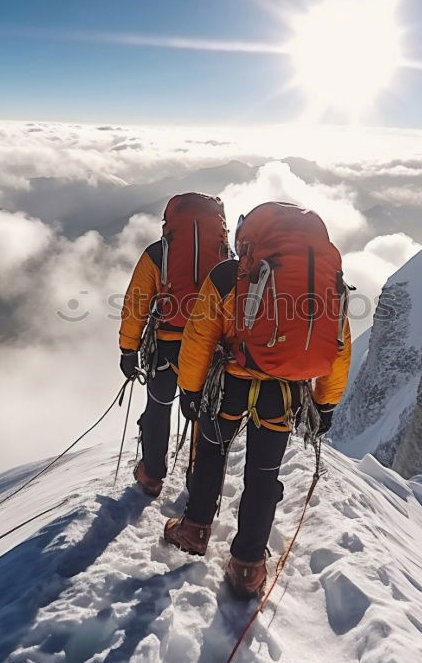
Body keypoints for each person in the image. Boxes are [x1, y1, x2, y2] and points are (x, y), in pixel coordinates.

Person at [163, 201, 352, 598]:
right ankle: (248, 565)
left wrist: (191, 391)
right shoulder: (323, 280)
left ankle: (196, 529)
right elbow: (338, 341)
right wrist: (326, 402)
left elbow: (199, 336)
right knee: (264, 477)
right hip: (283, 393)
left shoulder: (230, 274)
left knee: (211, 453)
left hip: (227, 384)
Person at [119, 193, 231, 498]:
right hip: (209, 350)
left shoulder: (158, 253)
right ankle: (198, 482)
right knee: (203, 414)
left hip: (165, 346)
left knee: (158, 407)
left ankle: (152, 475)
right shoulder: (225, 256)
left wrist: (129, 350)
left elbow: (136, 304)